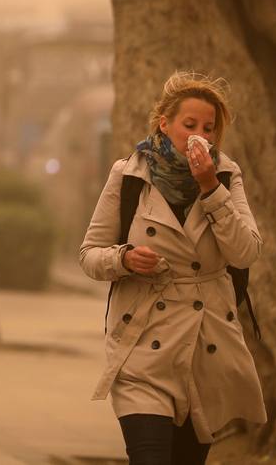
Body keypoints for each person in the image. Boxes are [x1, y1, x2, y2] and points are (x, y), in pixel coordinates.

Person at [79, 72, 266, 465]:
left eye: (209, 128)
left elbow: (246, 251)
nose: (201, 136)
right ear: (165, 124)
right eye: (190, 125)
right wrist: (124, 259)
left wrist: (211, 189)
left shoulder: (226, 176)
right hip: (143, 347)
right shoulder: (129, 174)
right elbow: (90, 254)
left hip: (203, 348)